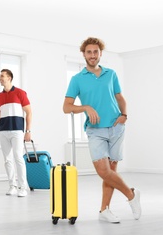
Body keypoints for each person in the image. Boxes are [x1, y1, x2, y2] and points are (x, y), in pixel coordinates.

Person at [63, 37, 141, 223]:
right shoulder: (77, 79)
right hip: (95, 130)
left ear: (100, 54)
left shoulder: (111, 74)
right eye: (89, 52)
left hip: (116, 127)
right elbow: (67, 107)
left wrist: (125, 115)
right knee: (104, 171)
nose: (92, 55)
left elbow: (120, 98)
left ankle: (104, 210)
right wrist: (86, 108)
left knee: (111, 172)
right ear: (84, 54)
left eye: (95, 52)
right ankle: (132, 195)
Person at [0, 69, 32, 197]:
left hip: (17, 130)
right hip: (3, 130)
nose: (0, 78)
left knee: (18, 158)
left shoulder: (20, 93)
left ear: (9, 78)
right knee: (7, 160)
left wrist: (28, 131)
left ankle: (23, 187)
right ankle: (13, 186)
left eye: (2, 76)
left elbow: (29, 112)